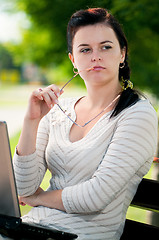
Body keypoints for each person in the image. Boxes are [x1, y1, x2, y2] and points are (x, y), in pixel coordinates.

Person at [12, 8, 157, 240]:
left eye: (106, 47)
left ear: (122, 54)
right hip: (33, 228)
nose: (96, 56)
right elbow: (22, 188)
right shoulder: (57, 109)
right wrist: (32, 121)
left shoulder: (137, 114)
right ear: (73, 59)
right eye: (85, 49)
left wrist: (38, 199)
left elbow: (95, 196)